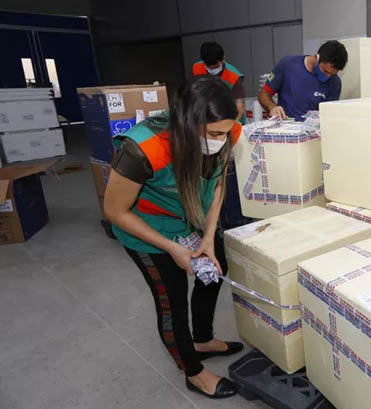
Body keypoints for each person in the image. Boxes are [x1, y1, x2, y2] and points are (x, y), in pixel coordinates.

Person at [103, 76, 244, 399]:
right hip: (148, 231)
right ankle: (194, 373)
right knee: (172, 302)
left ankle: (203, 340)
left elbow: (218, 183)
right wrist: (171, 248)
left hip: (192, 221)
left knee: (215, 270)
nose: (222, 140)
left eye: (225, 133)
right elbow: (115, 210)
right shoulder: (142, 149)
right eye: (214, 134)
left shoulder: (227, 131)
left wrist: (209, 237)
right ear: (187, 125)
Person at [258, 40, 348, 121]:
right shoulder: (287, 65)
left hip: (313, 131)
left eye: (332, 74)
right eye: (325, 71)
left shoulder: (335, 82)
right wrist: (272, 107)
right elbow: (264, 93)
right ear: (316, 57)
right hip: (286, 128)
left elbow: (328, 115)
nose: (328, 76)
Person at [193, 41, 246, 123]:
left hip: (231, 117)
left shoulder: (233, 76)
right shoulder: (196, 68)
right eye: (209, 68)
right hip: (208, 118)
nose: (213, 70)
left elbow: (240, 105)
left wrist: (233, 124)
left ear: (223, 59)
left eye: (216, 67)